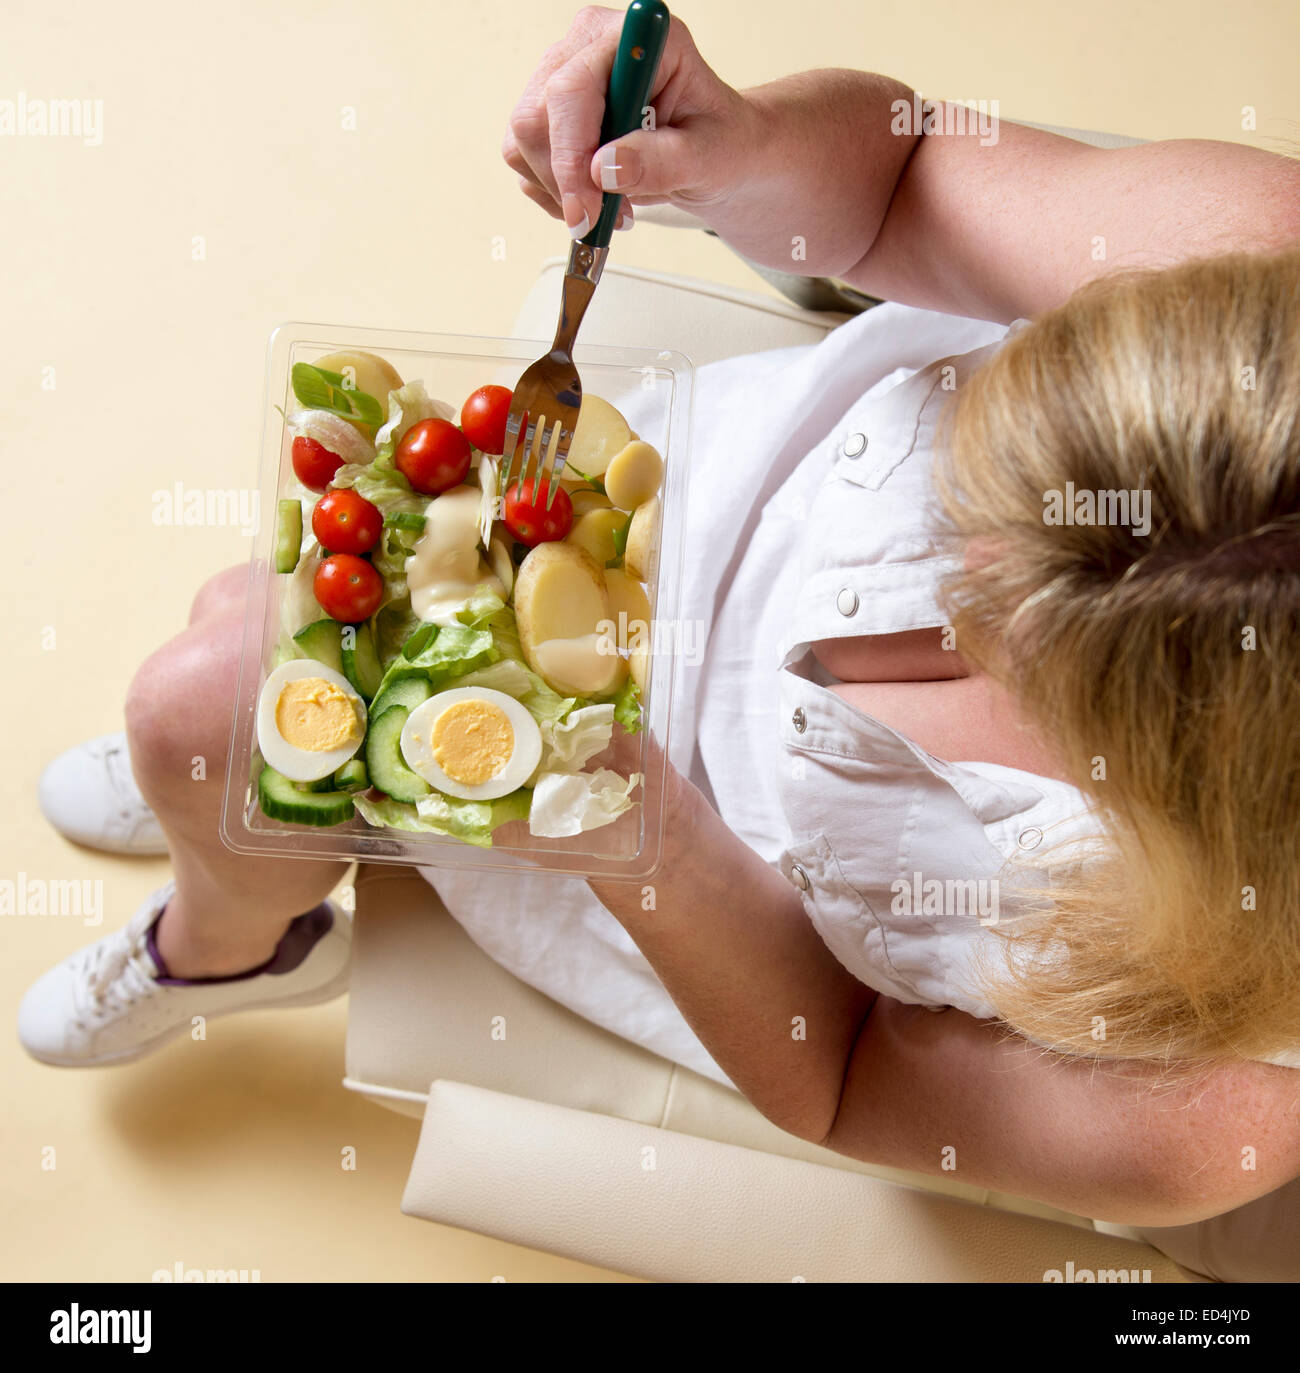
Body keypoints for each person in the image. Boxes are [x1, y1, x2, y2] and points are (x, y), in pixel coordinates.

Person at [20, 6, 1300, 1280]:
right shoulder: (1264, 269)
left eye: (1013, 647)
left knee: (199, 703)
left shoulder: (1221, 1097)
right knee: (231, 662)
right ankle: (247, 852)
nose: (949, 590)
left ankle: (225, 946)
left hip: (663, 876)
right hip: (649, 498)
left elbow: (842, 1073)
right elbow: (901, 177)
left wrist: (644, 843)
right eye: (981, 468)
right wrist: (742, 146)